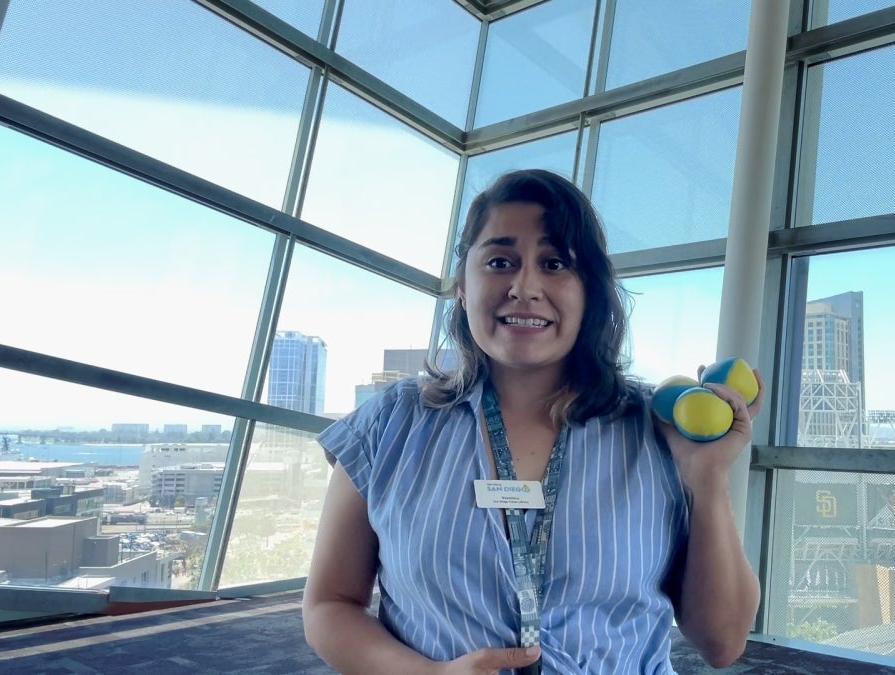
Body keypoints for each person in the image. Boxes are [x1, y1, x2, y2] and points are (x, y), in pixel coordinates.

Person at [302, 169, 761, 674]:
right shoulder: (391, 423)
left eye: (555, 263)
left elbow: (722, 643)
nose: (524, 287)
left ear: (590, 291)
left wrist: (707, 478)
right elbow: (330, 604)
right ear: (463, 285)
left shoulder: (657, 429)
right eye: (500, 261)